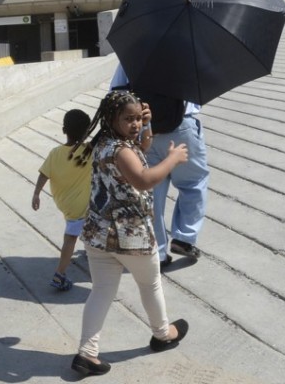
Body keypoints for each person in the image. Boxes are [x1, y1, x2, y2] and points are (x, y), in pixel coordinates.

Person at [70, 89, 190, 377]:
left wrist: (146, 126)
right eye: (129, 119)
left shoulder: (105, 142)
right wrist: (172, 159)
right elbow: (143, 178)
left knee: (101, 291)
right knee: (150, 285)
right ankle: (163, 334)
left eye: (138, 118)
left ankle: (87, 353)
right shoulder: (120, 149)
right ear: (112, 118)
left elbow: (140, 150)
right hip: (130, 235)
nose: (135, 124)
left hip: (99, 235)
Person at [111, 66, 209, 268]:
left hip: (146, 131)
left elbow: (116, 93)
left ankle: (159, 251)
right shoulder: (190, 51)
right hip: (182, 126)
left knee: (152, 192)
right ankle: (185, 237)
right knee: (193, 183)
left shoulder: (132, 52)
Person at [31, 108, 92, 291]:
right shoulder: (89, 151)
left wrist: (36, 194)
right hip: (84, 205)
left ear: (64, 130)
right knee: (71, 238)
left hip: (65, 204)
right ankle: (59, 273)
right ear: (87, 132)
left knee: (80, 230)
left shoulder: (55, 153)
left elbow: (43, 174)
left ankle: (89, 251)